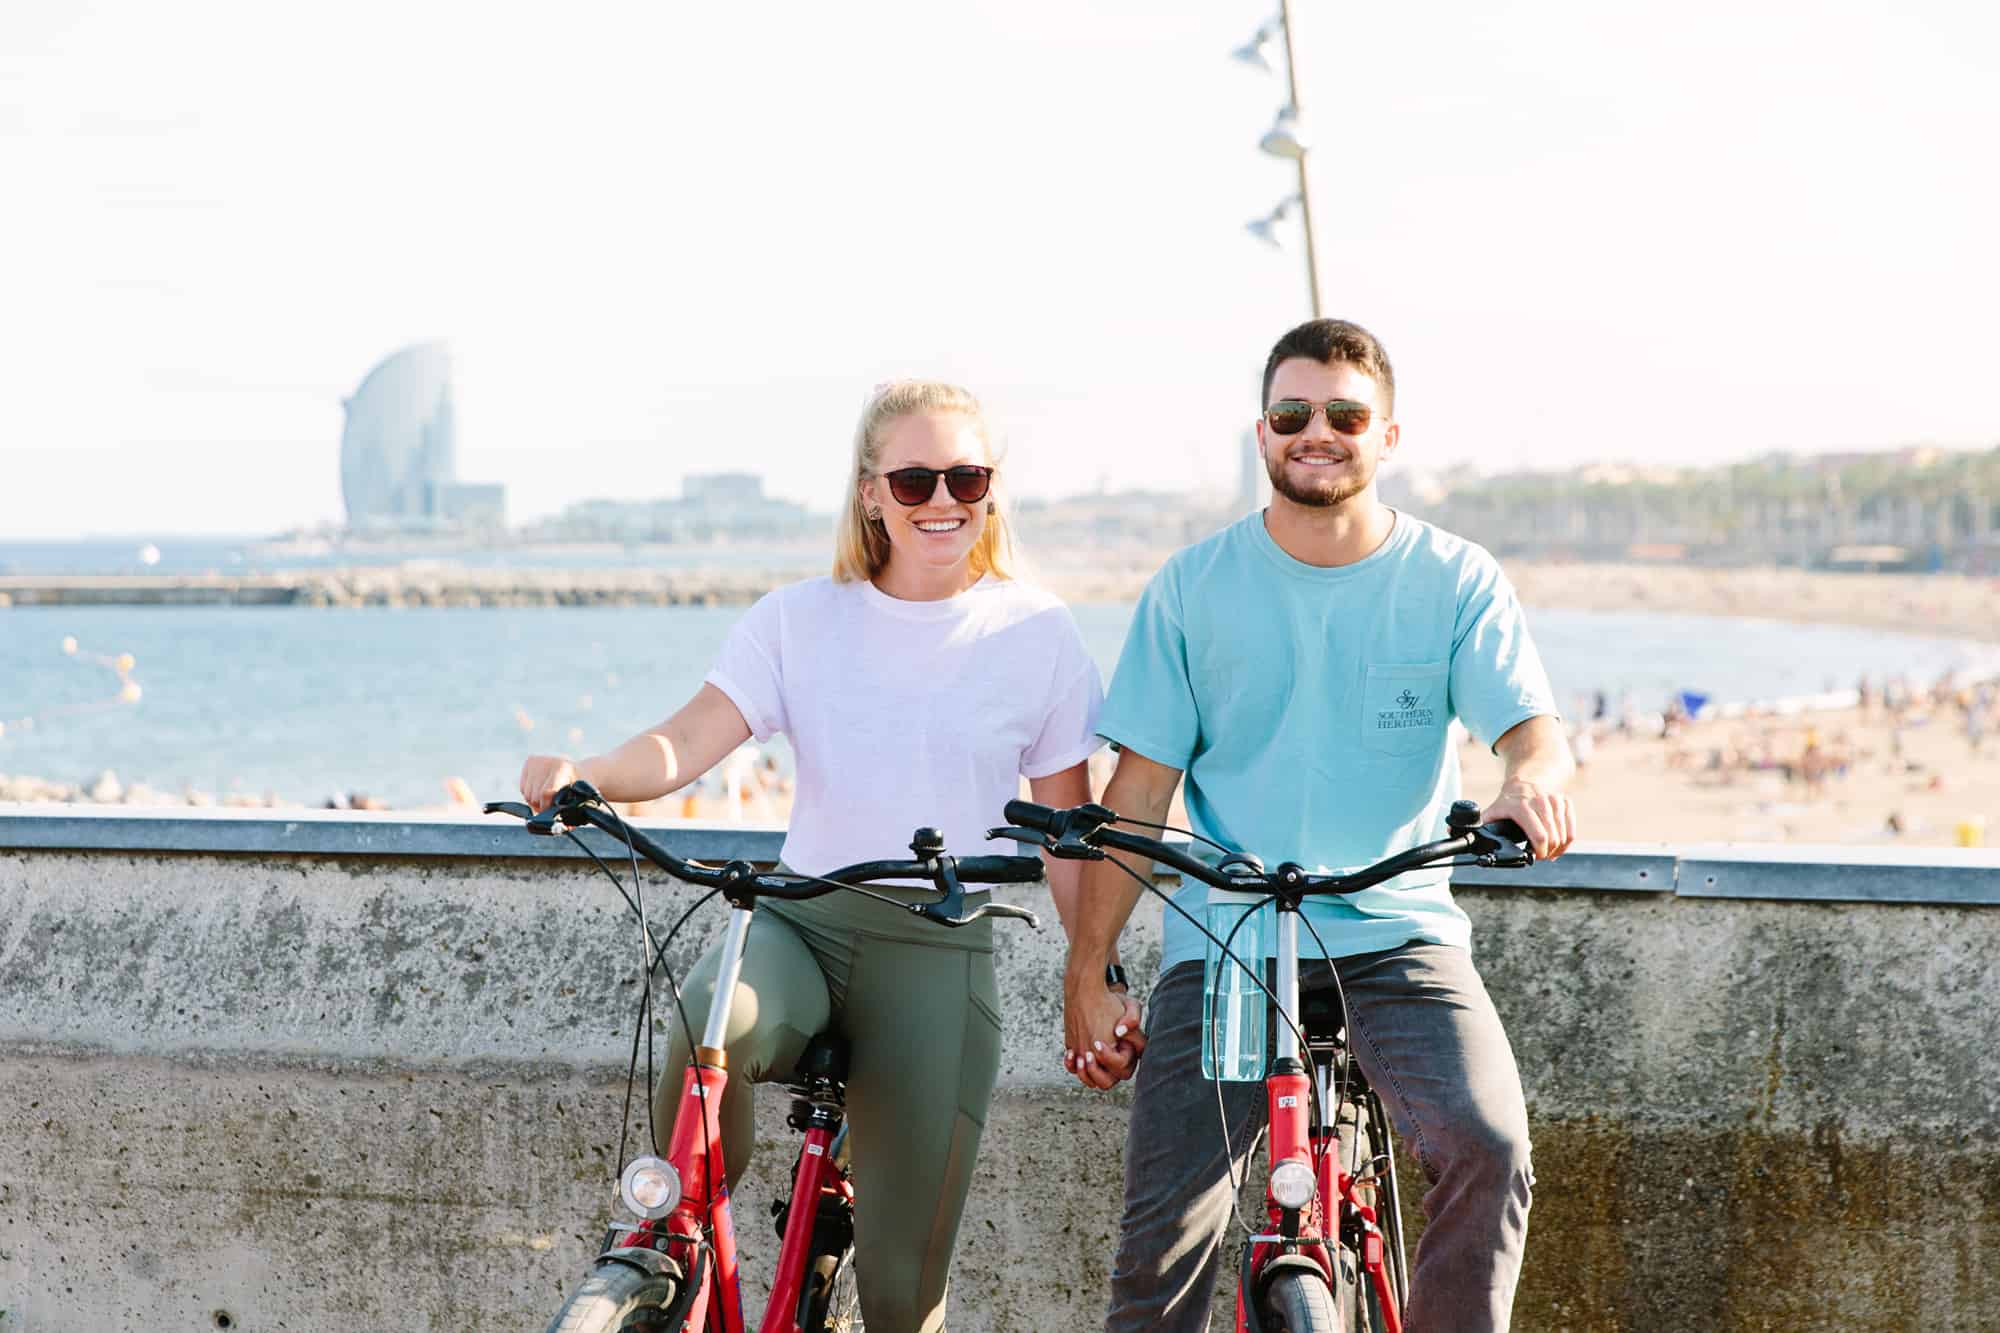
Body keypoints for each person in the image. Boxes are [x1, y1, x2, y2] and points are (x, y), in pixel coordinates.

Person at [520, 380, 1106, 1333]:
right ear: (870, 492)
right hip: (801, 922)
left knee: (899, 1300)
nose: (942, 500)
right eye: (915, 479)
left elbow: (1069, 833)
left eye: (966, 475)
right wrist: (587, 773)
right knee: (709, 1028)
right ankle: (685, 1253)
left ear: (992, 489)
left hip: (939, 949)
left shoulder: (1035, 633)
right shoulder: (799, 618)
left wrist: (1097, 972)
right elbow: (688, 739)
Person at [1061, 319, 1577, 1333]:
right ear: (1261, 434)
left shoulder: (1452, 578)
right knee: (1159, 1241)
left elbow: (1532, 734)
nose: (1317, 433)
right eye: (1292, 414)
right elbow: (1136, 794)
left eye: (1344, 414)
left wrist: (1530, 784)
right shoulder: (1190, 588)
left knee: (1489, 1147)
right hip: (1227, 945)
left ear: (1385, 436)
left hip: (1396, 935)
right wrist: (1091, 966)